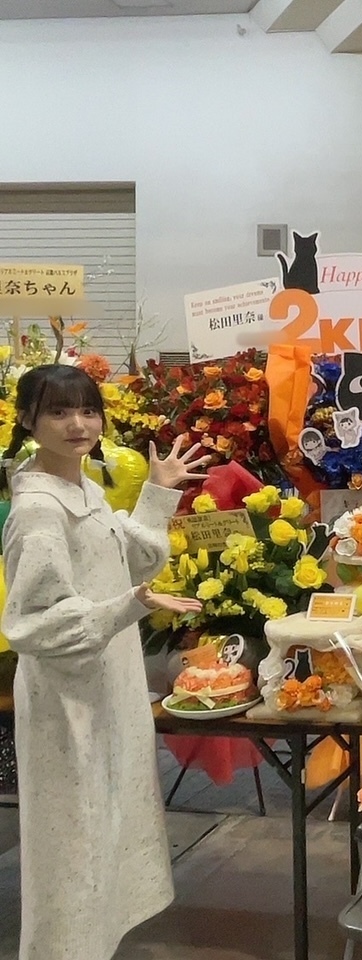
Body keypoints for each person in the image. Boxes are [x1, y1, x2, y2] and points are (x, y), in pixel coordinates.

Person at [0, 365, 208, 960]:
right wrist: (131, 604)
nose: (78, 424)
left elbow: (127, 564)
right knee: (73, 839)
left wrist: (157, 494)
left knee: (107, 823)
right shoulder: (39, 509)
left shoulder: (84, 488)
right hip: (67, 701)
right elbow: (35, 623)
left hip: (107, 683)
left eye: (88, 410)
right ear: (26, 420)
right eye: (58, 411)